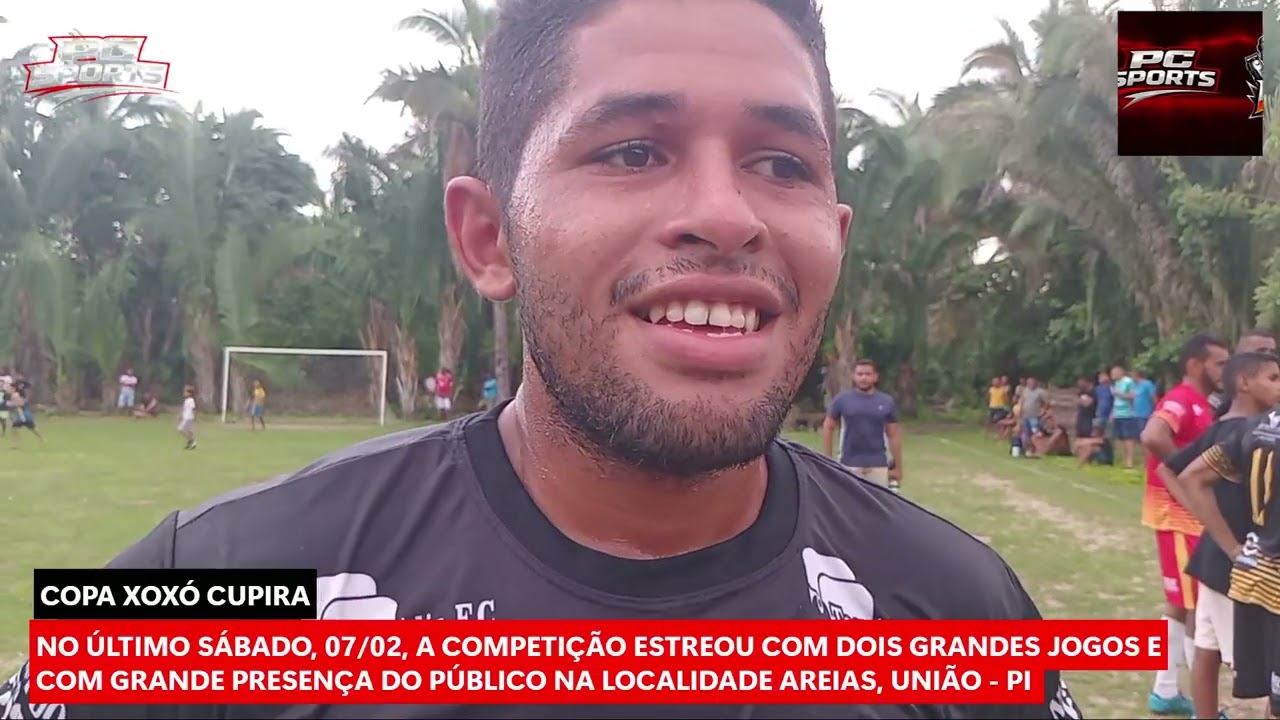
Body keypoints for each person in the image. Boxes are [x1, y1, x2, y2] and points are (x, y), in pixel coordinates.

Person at [0, 1, 1082, 717]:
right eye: (631, 150)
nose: (724, 212)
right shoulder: (215, 587)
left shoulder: (955, 605)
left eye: (777, 161)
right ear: (487, 239)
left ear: (833, 239)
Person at [1161, 351, 1280, 720]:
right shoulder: (1243, 431)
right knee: (1245, 664)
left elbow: (1178, 472)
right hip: (1248, 565)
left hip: (1230, 557)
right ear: (1244, 382)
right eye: (1273, 378)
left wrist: (1212, 526)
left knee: (1206, 647)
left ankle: (1184, 702)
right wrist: (1225, 536)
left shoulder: (1241, 427)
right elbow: (1172, 464)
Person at [1138, 332, 1230, 715]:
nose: (1225, 370)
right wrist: (1185, 475)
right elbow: (1153, 435)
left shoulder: (1203, 404)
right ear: (1196, 364)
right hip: (1178, 516)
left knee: (1180, 604)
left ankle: (1165, 690)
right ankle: (1203, 706)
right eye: (1220, 363)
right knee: (1196, 606)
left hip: (1188, 515)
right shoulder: (1180, 400)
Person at [822, 359, 902, 490]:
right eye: (859, 374)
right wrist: (828, 459)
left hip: (878, 464)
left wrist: (898, 467)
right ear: (854, 376)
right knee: (849, 505)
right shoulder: (842, 400)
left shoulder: (886, 401)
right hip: (849, 463)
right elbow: (828, 427)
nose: (863, 378)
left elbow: (893, 435)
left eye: (867, 374)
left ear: (875, 377)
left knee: (878, 505)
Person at [1210, 329, 1277, 413]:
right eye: (1261, 351)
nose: (1268, 356)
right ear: (1240, 354)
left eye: (1272, 352)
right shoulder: (1219, 397)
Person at [1111, 365, 1141, 468]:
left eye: (1114, 373)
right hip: (1118, 414)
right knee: (1122, 438)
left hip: (1127, 414)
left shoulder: (1128, 381)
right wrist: (1113, 413)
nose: (1112, 375)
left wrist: (1119, 393)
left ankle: (1129, 461)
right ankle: (1125, 460)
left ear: (1120, 372)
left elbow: (1132, 396)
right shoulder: (1116, 383)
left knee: (1128, 438)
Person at [7, 378, 42, 447]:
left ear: (14, 388)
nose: (10, 389)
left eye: (11, 388)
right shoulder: (14, 394)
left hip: (23, 413)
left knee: (32, 428)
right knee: (15, 427)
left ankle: (42, 439)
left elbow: (21, 403)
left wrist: (11, 404)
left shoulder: (17, 394)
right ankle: (16, 444)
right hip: (20, 413)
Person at [1018, 376, 1048, 457]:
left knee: (1035, 433)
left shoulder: (1040, 392)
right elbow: (1022, 402)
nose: (1030, 384)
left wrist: (1042, 412)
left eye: (1031, 382)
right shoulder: (1025, 391)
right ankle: (1028, 450)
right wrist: (1020, 413)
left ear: (1035, 383)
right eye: (1028, 383)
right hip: (1025, 416)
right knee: (1026, 433)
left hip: (1034, 417)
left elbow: (1046, 403)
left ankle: (1038, 450)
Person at [177, 384, 197, 450]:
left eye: (185, 392)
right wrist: (181, 415)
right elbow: (184, 409)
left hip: (188, 418)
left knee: (180, 429)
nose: (184, 393)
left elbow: (193, 409)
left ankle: (192, 441)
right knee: (189, 431)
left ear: (189, 393)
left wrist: (194, 416)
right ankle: (190, 443)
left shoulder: (191, 400)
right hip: (186, 417)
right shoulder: (186, 400)